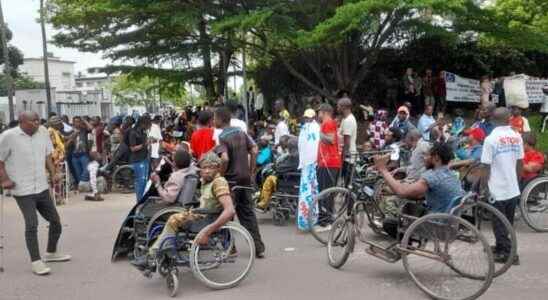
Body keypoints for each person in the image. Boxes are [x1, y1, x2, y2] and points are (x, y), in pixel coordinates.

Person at [134, 152, 236, 267]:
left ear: (218, 168)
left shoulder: (219, 182)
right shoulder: (207, 181)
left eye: (211, 167)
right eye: (204, 168)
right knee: (174, 219)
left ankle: (153, 255)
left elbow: (230, 211)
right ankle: (160, 252)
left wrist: (207, 232)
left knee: (173, 219)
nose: (207, 171)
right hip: (202, 215)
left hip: (206, 220)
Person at [0, 111, 71, 275]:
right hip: (22, 189)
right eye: (34, 120)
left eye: (38, 120)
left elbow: (47, 156)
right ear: (22, 121)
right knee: (32, 225)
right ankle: (36, 261)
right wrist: (4, 180)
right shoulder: (8, 136)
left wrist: (53, 173)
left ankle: (51, 252)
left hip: (41, 186)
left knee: (56, 221)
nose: (38, 123)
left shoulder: (43, 132)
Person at [374, 142, 465, 228]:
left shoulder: (433, 176)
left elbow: (401, 192)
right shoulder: (451, 174)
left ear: (436, 158)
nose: (424, 158)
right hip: (448, 220)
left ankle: (406, 240)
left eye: (427, 155)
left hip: (435, 223)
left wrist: (383, 169)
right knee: (407, 204)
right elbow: (420, 194)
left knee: (388, 223)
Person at [215, 105, 265, 258]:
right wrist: (251, 170)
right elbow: (255, 149)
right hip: (244, 179)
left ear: (219, 119)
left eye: (215, 118)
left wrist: (220, 176)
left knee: (226, 214)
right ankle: (258, 247)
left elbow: (224, 158)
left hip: (231, 181)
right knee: (248, 213)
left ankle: (230, 247)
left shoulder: (223, 137)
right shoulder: (242, 133)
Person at [481, 107, 522, 265]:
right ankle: (501, 246)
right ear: (508, 119)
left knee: (498, 222)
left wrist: (484, 188)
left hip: (496, 189)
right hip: (512, 187)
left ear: (492, 120)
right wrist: (516, 183)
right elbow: (520, 162)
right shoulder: (516, 136)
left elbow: (486, 167)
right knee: (507, 221)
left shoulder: (490, 139)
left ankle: (508, 254)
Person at [315, 103, 342, 232]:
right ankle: (329, 219)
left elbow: (331, 139)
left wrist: (319, 134)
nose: (317, 115)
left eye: (318, 112)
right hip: (328, 162)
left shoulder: (328, 122)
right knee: (327, 193)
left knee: (325, 193)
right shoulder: (327, 123)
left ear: (324, 112)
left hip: (328, 163)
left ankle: (324, 222)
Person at [256, 137, 299, 211]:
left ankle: (263, 203)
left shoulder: (293, 157)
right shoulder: (299, 155)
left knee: (269, 179)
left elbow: (280, 168)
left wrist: (275, 166)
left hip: (288, 181)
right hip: (293, 179)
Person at [297, 109, 320, 231]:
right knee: (312, 192)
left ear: (313, 117)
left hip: (309, 165)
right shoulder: (313, 128)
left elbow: (302, 146)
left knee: (309, 193)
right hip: (310, 164)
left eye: (309, 117)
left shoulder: (308, 128)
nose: (307, 120)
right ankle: (310, 219)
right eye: (306, 117)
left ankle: (308, 220)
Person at [129, 114, 152, 201]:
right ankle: (139, 202)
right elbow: (133, 148)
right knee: (140, 183)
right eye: (148, 124)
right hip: (138, 160)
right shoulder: (133, 133)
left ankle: (142, 200)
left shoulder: (143, 132)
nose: (149, 127)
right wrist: (144, 144)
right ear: (143, 123)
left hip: (144, 159)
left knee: (144, 182)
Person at [337, 97, 358, 187]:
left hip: (348, 157)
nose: (337, 108)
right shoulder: (345, 119)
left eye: (338, 106)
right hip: (346, 156)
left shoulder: (349, 120)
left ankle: (348, 201)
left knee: (347, 184)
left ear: (344, 107)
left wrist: (342, 157)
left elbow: (347, 141)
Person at [68, 116, 93, 186]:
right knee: (78, 173)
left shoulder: (84, 130)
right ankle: (81, 187)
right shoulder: (70, 131)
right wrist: (74, 135)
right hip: (74, 155)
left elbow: (91, 128)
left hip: (83, 154)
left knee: (86, 170)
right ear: (73, 123)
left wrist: (84, 121)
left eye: (78, 121)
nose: (77, 123)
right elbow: (67, 142)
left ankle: (84, 185)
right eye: (75, 122)